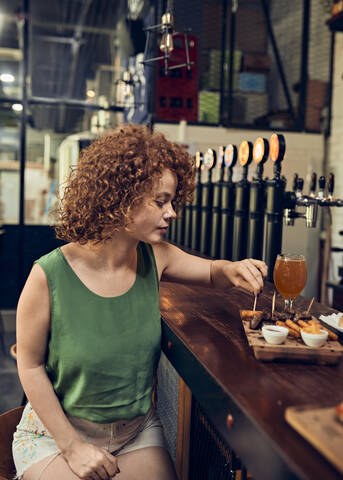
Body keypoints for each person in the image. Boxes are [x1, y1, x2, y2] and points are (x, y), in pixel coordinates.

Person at [13, 124, 267, 480]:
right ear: (120, 198)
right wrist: (72, 447)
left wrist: (235, 268)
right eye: (160, 201)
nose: (172, 213)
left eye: (173, 201)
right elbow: (29, 366)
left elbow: (213, 272)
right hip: (56, 435)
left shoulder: (156, 257)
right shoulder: (48, 275)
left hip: (133, 434)